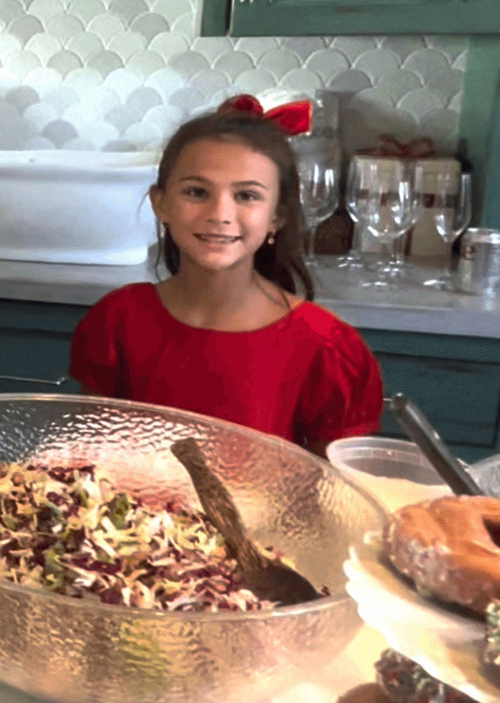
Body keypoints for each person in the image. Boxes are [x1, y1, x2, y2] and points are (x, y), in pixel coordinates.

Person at [68, 99, 384, 454]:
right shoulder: (117, 321)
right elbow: (93, 463)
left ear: (277, 216)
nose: (220, 213)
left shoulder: (327, 349)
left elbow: (334, 492)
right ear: (161, 203)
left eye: (247, 195)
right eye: (197, 192)